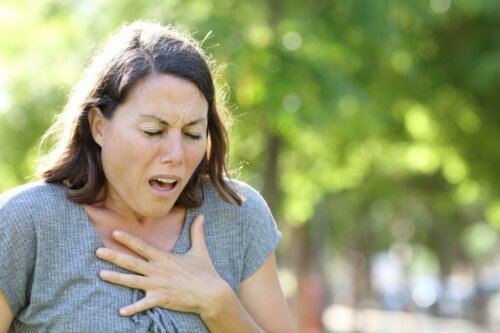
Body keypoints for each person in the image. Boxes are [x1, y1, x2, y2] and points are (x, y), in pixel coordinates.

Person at [0, 21, 292, 332]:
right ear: (99, 126)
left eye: (193, 134)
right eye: (154, 131)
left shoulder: (238, 216)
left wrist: (218, 303)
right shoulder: (24, 223)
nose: (176, 154)